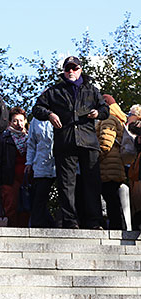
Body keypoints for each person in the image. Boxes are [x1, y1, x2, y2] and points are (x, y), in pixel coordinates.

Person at [33, 56, 109, 229]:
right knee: (66, 184)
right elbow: (37, 108)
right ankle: (70, 221)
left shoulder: (91, 89)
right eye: (68, 69)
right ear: (64, 71)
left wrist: (97, 113)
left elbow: (106, 109)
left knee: (91, 183)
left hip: (88, 141)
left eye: (74, 68)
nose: (71, 72)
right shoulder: (54, 91)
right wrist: (49, 115)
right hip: (65, 142)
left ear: (80, 70)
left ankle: (93, 221)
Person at [96, 94, 128, 229]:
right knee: (113, 198)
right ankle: (118, 226)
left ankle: (116, 227)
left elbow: (105, 142)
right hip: (116, 164)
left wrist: (96, 158)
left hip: (108, 164)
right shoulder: (118, 117)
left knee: (110, 198)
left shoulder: (108, 118)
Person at [0, 107, 30, 227]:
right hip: (10, 178)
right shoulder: (3, 139)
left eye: (21, 120)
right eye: (15, 121)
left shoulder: (30, 138)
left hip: (27, 178)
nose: (18, 124)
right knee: (11, 207)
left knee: (27, 208)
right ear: (10, 122)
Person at [25, 118, 60, 228]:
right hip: (41, 163)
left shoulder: (62, 113)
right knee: (39, 197)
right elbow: (31, 143)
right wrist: (29, 162)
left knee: (65, 195)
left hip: (60, 162)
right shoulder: (36, 120)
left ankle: (64, 223)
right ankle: (38, 224)